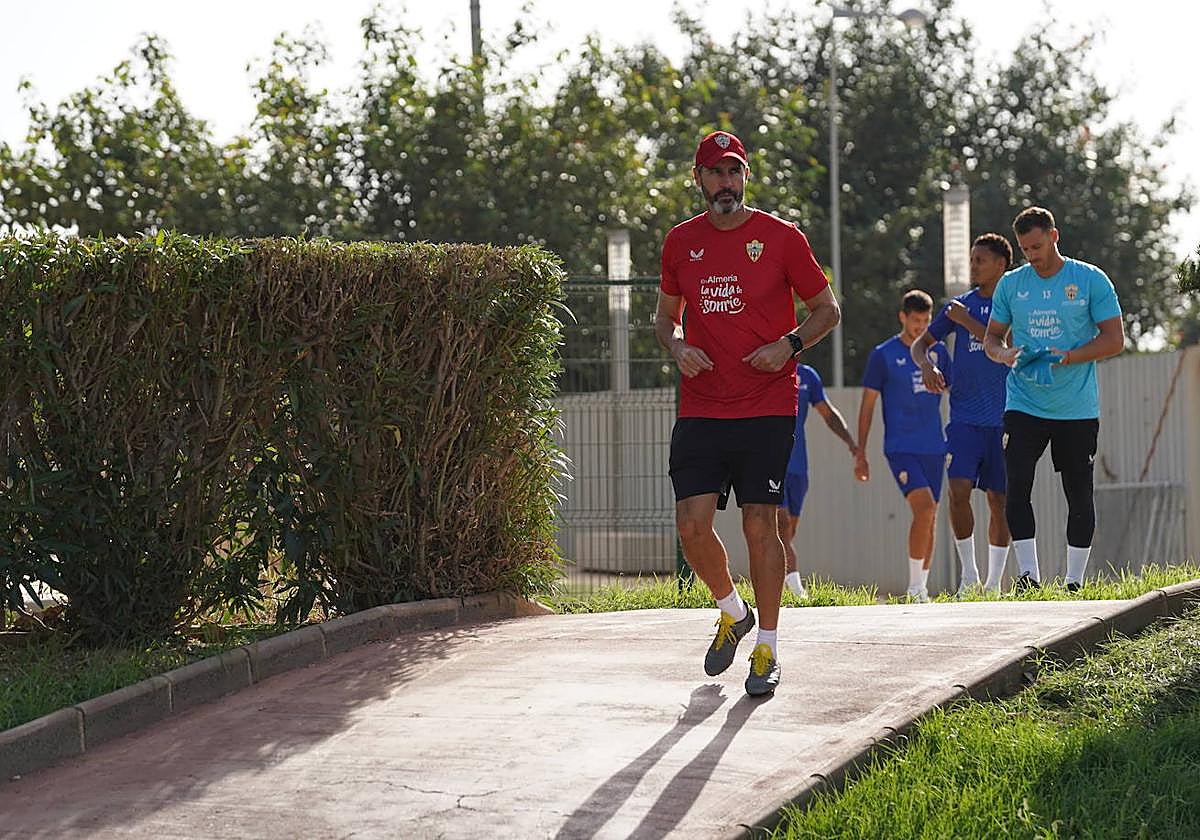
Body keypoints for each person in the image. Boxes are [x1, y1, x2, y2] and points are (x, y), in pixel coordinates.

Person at [655, 129, 840, 696]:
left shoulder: (781, 238)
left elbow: (826, 311)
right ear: (699, 180)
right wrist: (679, 347)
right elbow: (665, 319)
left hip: (767, 404)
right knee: (691, 525)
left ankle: (767, 647)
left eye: (734, 171)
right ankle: (733, 612)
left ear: (746, 177)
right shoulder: (679, 243)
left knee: (761, 524)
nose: (725, 182)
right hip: (704, 407)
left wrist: (788, 346)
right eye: (715, 172)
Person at [983, 206, 1124, 592]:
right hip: (1024, 401)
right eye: (1026, 249)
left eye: (1038, 246)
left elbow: (1115, 339)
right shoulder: (1012, 285)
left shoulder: (1090, 279)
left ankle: (1074, 582)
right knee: (1017, 485)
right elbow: (992, 338)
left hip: (1076, 407)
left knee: (1079, 492)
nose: (1033, 255)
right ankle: (1029, 576)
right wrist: (1001, 354)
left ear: (1054, 236)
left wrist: (1069, 356)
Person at [911, 233, 1014, 595]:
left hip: (1004, 418)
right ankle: (969, 576)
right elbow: (920, 344)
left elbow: (1006, 343)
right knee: (958, 490)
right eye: (971, 260)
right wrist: (926, 366)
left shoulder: (1014, 302)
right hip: (964, 419)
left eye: (980, 261)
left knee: (999, 500)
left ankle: (994, 582)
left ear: (1001, 264)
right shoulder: (958, 305)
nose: (972, 266)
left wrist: (968, 322)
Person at [854, 290, 949, 603]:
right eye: (915, 320)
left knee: (931, 514)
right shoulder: (883, 355)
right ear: (903, 317)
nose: (921, 327)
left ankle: (922, 588)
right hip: (900, 446)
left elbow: (956, 390)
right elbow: (867, 406)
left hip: (935, 446)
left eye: (926, 321)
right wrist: (861, 452)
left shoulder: (938, 353)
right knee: (922, 508)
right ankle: (912, 588)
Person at [777, 365, 857, 599]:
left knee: (789, 530)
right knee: (780, 527)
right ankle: (796, 589)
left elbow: (828, 414)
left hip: (799, 466)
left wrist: (851, 444)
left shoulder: (809, 376)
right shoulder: (767, 369)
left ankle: (780, 583)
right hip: (773, 462)